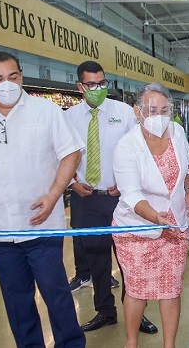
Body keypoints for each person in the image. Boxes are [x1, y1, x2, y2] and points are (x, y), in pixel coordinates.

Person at [0, 51, 86, 347]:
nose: (6, 84)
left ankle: (71, 344)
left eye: (12, 77)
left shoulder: (45, 112)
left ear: (20, 76)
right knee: (17, 300)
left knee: (56, 294)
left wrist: (54, 194)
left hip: (42, 226)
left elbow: (71, 153)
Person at [112, 82, 189, 348]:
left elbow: (188, 166)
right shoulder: (127, 146)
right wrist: (154, 216)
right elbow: (131, 194)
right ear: (137, 111)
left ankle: (169, 345)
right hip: (136, 229)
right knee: (137, 290)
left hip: (175, 227)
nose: (159, 117)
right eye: (151, 110)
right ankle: (131, 342)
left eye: (164, 110)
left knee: (171, 289)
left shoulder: (178, 132)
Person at [63, 60, 132, 332]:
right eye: (91, 84)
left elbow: (136, 153)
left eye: (102, 83)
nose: (97, 88)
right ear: (80, 86)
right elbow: (58, 156)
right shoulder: (68, 118)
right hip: (86, 199)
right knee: (97, 261)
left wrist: (125, 184)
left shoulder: (124, 113)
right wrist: (71, 183)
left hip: (120, 198)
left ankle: (135, 311)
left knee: (128, 259)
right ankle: (105, 311)